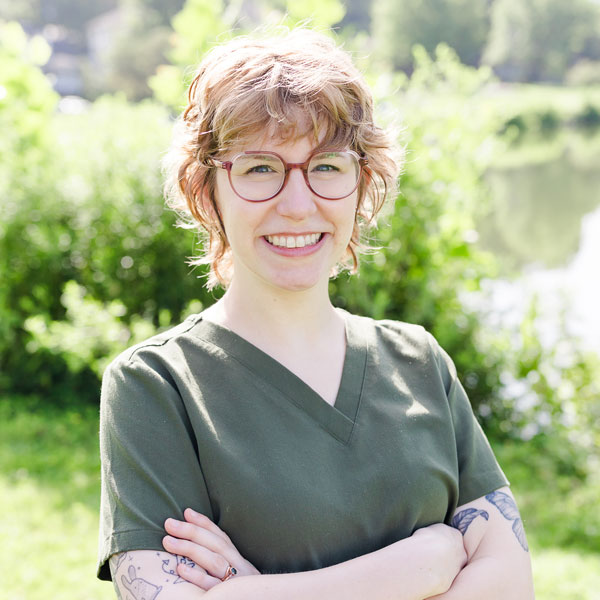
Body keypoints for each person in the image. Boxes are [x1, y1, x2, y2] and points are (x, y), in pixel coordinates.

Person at [97, 28, 535, 599]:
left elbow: (511, 584)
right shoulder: (156, 387)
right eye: (259, 168)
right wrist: (422, 567)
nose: (298, 204)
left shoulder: (420, 362)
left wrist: (250, 592)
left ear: (362, 184)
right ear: (207, 192)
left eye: (327, 166)